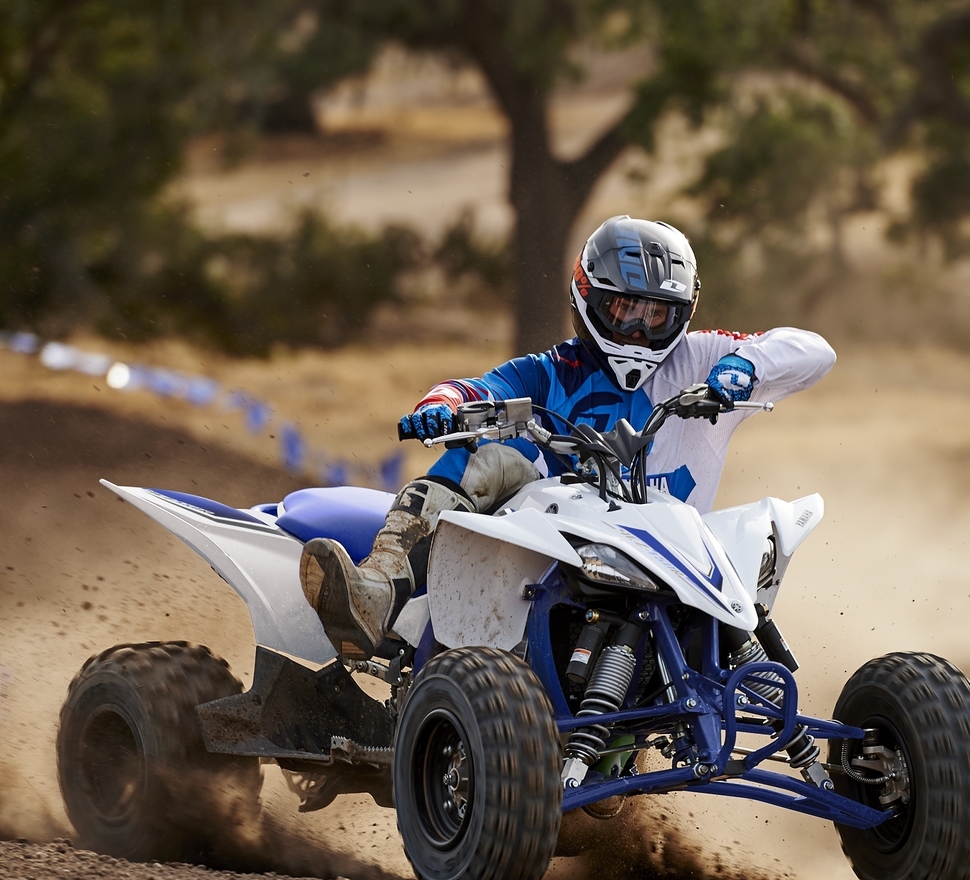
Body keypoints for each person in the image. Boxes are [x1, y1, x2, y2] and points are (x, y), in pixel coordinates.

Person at [300, 215, 836, 657]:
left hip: (679, 576)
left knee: (756, 549)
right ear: (590, 299)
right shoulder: (552, 371)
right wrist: (442, 405)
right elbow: (476, 388)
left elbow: (814, 351)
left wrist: (745, 364)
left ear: (684, 314)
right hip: (560, 573)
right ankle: (380, 588)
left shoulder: (701, 359)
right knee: (484, 460)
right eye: (626, 309)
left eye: (658, 314)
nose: (640, 331)